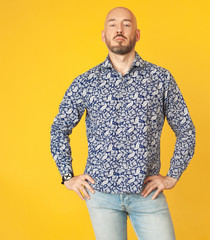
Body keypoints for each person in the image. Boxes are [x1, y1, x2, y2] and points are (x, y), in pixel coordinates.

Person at [50, 6, 196, 240]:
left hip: (146, 193)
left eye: (127, 24)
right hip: (101, 197)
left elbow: (185, 129)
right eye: (113, 24)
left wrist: (172, 175)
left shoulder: (160, 79)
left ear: (136, 34)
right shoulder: (86, 81)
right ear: (103, 35)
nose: (119, 29)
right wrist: (68, 176)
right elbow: (59, 128)